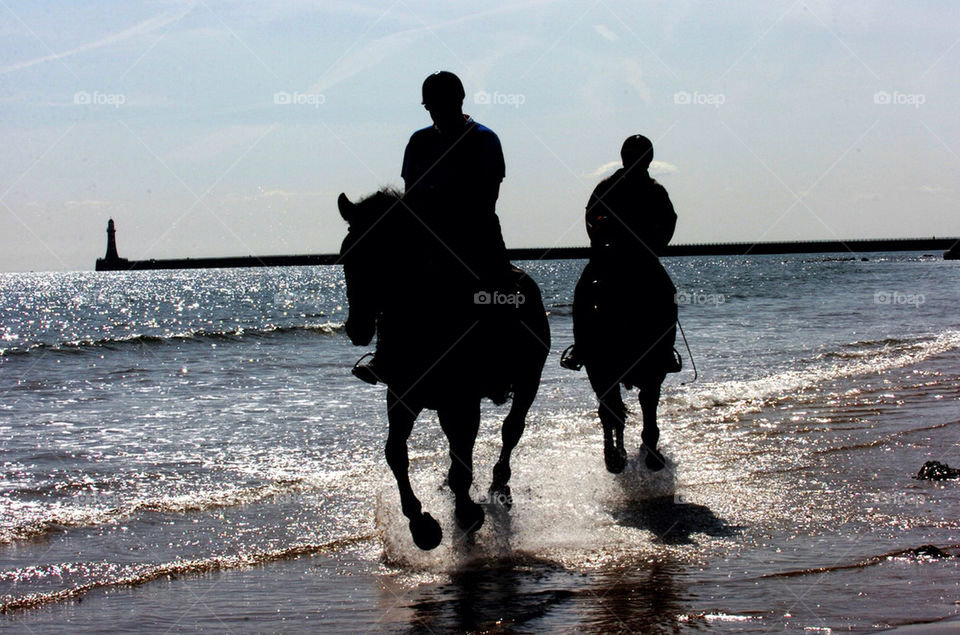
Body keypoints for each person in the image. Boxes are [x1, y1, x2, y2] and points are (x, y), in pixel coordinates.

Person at [353, 71, 515, 396]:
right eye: (431, 105)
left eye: (441, 104)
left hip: (475, 235)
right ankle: (385, 356)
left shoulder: (484, 139)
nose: (435, 111)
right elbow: (411, 193)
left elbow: (486, 197)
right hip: (426, 238)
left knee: (499, 291)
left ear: (459, 101)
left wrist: (447, 217)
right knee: (393, 285)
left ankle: (502, 368)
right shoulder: (418, 141)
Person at [564, 134, 679, 471]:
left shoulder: (656, 191)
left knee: (666, 291)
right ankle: (582, 349)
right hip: (612, 258)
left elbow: (668, 224)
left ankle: (663, 353)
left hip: (641, 258)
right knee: (585, 292)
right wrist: (606, 239)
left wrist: (653, 243)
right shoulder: (608, 188)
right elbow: (592, 220)